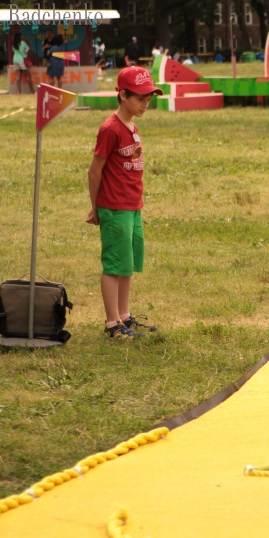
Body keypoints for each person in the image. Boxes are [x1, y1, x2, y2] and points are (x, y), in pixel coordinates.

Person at [86, 66, 163, 339]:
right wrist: (96, 207)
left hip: (132, 206)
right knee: (114, 264)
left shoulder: (132, 125)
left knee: (127, 263)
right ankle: (111, 324)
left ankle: (124, 316)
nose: (145, 104)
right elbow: (95, 170)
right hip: (115, 207)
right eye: (140, 98)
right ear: (122, 96)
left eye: (149, 99)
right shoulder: (110, 129)